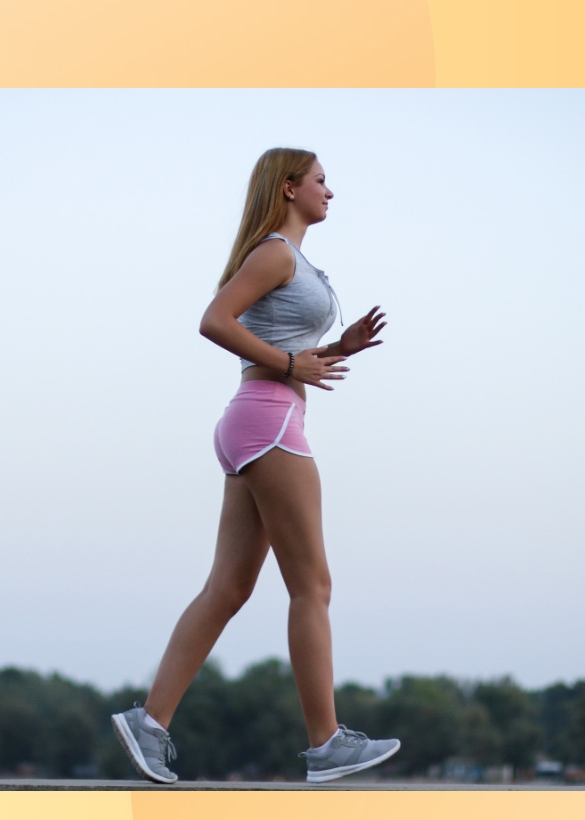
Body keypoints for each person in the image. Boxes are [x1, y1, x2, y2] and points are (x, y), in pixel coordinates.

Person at [111, 147, 400, 784]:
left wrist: (328, 350)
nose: (332, 191)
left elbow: (275, 344)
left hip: (256, 418)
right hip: (270, 421)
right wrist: (294, 365)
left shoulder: (288, 258)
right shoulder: (274, 253)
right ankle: (326, 743)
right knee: (312, 586)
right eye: (322, 181)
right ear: (290, 187)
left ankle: (149, 723)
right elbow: (214, 320)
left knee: (229, 588)